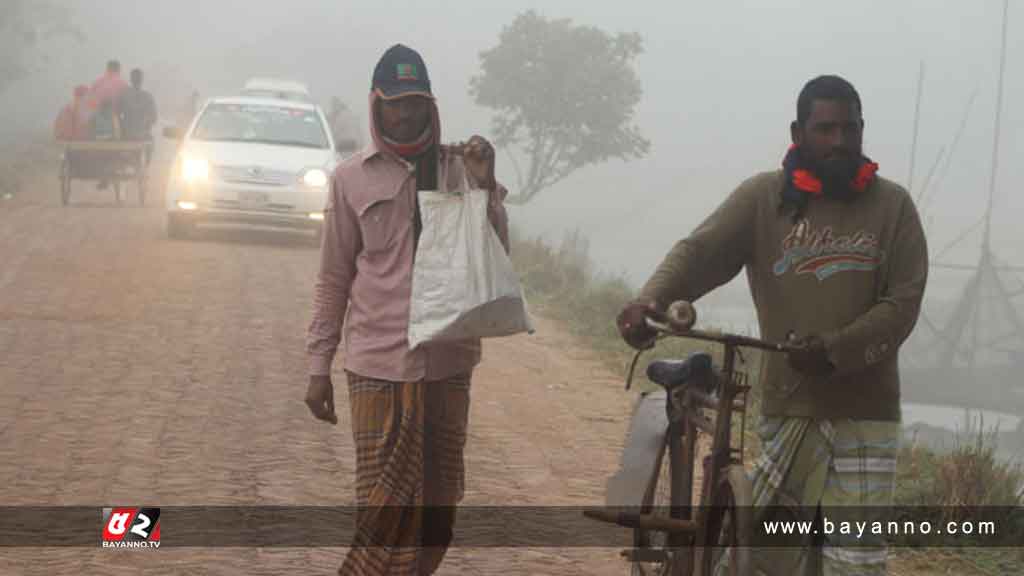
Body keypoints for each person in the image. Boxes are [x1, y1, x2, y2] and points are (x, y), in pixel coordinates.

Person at [617, 75, 928, 575]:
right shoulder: (765, 198)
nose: (839, 141)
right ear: (798, 132)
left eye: (850, 129)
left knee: (858, 563)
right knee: (760, 554)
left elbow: (903, 304)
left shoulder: (893, 207)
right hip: (789, 404)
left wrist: (834, 348)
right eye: (825, 129)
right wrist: (649, 299)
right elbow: (701, 253)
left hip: (866, 415)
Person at [305, 44, 509, 576]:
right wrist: (317, 367)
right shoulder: (350, 179)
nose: (406, 113)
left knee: (437, 518)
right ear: (376, 104)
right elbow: (333, 278)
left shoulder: (461, 170)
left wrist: (486, 185)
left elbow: (495, 256)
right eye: (395, 102)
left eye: (416, 101)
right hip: (376, 366)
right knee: (381, 516)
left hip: (447, 364)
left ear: (430, 104)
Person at [119, 68, 158, 164]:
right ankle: (146, 166)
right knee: (150, 143)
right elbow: (154, 118)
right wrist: (147, 126)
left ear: (131, 80)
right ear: (142, 80)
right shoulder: (148, 96)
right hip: (143, 134)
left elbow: (117, 113)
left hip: (126, 133)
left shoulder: (124, 95)